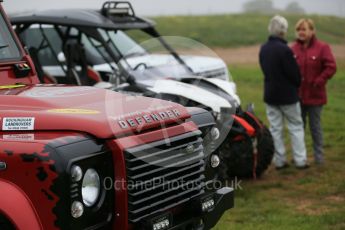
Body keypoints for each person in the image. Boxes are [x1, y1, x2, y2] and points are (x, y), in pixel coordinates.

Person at [259, 15, 308, 169]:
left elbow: (264, 69)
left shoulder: (264, 48)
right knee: (295, 126)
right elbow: (294, 75)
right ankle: (300, 160)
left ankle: (279, 161)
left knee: (275, 129)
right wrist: (297, 83)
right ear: (283, 31)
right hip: (288, 96)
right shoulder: (285, 50)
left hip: (271, 95)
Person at [291, 19, 337, 164]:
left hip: (316, 96)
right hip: (298, 96)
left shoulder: (322, 47)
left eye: (304, 29)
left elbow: (331, 66)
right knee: (299, 128)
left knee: (315, 127)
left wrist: (319, 81)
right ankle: (300, 157)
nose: (301, 32)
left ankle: (319, 156)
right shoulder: (293, 49)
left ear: (312, 31)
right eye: (299, 30)